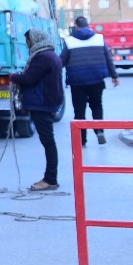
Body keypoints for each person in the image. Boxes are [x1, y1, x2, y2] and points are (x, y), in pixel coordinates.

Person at [11, 28, 65, 191]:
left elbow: (29, 79)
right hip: (46, 103)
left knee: (48, 142)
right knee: (48, 141)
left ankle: (50, 179)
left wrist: (13, 76)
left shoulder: (42, 57)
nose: (27, 44)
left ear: (35, 40)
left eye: (28, 41)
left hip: (41, 104)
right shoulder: (51, 55)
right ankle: (50, 177)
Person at [61, 16, 119, 147]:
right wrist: (114, 76)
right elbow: (108, 59)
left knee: (79, 111)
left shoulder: (69, 41)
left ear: (76, 26)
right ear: (88, 26)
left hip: (77, 82)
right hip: (96, 80)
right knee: (97, 106)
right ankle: (99, 132)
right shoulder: (99, 39)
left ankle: (82, 139)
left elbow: (62, 61)